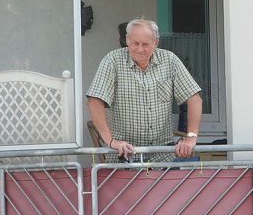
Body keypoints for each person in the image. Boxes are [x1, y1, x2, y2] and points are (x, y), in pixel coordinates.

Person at [87, 18, 203, 162]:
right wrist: (111, 141)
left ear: (155, 43)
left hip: (162, 155)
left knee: (166, 185)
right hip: (123, 155)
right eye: (135, 43)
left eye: (145, 44)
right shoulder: (112, 61)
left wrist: (191, 137)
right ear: (127, 40)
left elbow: (194, 98)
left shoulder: (169, 60)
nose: (140, 49)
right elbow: (94, 101)